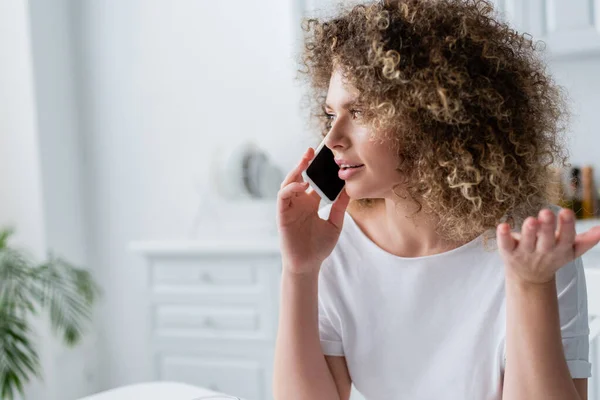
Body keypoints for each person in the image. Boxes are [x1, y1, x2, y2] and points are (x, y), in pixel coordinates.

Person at [273, 0, 600, 399]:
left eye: (359, 111)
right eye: (330, 115)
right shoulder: (333, 241)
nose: (332, 139)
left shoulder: (531, 243)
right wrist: (300, 272)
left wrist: (531, 285)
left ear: (434, 117)